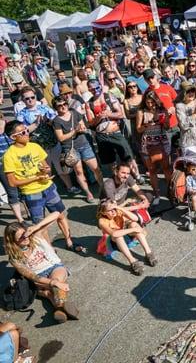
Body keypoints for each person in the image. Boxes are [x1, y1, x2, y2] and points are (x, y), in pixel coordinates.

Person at [3, 121, 82, 253]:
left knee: (61, 215)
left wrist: (45, 170)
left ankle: (69, 241)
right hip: (31, 194)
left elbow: (46, 167)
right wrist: (36, 178)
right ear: (13, 137)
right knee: (41, 225)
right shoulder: (9, 156)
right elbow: (12, 182)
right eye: (23, 132)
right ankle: (50, 250)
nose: (27, 133)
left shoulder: (34, 146)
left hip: (48, 188)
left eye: (27, 130)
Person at [4, 212, 80, 323]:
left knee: (55, 284)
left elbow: (58, 214)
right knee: (53, 286)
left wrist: (36, 227)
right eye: (20, 238)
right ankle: (59, 308)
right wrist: (52, 283)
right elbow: (32, 276)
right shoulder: (14, 258)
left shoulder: (35, 236)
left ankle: (58, 306)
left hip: (54, 267)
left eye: (24, 234)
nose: (25, 238)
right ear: (13, 241)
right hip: (38, 277)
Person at [51, 96, 103, 203]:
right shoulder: (56, 121)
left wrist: (82, 128)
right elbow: (61, 138)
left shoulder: (74, 113)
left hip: (84, 144)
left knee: (96, 168)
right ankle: (89, 193)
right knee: (79, 172)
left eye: (64, 104)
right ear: (56, 108)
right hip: (70, 149)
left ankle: (103, 189)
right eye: (59, 106)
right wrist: (74, 131)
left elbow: (82, 124)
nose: (63, 107)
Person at [97, 200, 157, 276]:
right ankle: (133, 262)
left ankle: (148, 253)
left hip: (125, 235)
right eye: (110, 210)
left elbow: (135, 218)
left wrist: (120, 208)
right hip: (114, 242)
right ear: (103, 213)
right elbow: (114, 234)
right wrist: (133, 230)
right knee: (119, 236)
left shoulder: (117, 211)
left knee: (133, 224)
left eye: (114, 208)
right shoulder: (102, 221)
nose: (113, 211)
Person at [136, 91, 172, 207]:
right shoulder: (141, 112)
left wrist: (163, 120)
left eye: (153, 102)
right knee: (152, 170)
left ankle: (170, 191)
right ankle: (156, 194)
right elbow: (138, 129)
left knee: (166, 167)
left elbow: (167, 126)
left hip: (162, 140)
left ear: (157, 101)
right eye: (148, 102)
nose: (150, 104)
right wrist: (147, 125)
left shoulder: (162, 110)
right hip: (148, 142)